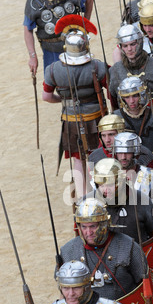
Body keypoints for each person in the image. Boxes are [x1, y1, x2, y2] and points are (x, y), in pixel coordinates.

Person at [42, 15, 107, 197]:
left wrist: (63, 102)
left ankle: (82, 198)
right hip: (96, 119)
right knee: (97, 157)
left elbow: (46, 96)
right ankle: (99, 195)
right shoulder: (97, 66)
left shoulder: (53, 70)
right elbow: (112, 90)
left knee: (79, 159)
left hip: (70, 120)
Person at [59, 198, 148, 300]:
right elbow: (63, 291)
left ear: (104, 225)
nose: (88, 232)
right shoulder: (68, 251)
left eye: (93, 226)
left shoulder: (128, 246)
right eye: (84, 227)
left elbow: (145, 284)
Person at [24, 0, 93, 74]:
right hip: (51, 50)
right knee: (53, 81)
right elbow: (27, 29)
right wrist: (32, 56)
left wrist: (84, 25)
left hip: (75, 45)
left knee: (83, 76)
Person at [87, 158, 153, 243]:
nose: (106, 190)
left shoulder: (142, 201)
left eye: (110, 185)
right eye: (101, 185)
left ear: (120, 182)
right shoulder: (88, 203)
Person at [109, 22, 153, 107]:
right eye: (125, 46)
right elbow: (114, 103)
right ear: (120, 47)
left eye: (133, 44)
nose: (129, 49)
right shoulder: (115, 71)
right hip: (128, 119)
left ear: (140, 42)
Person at [114, 76, 153, 154]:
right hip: (127, 164)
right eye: (127, 97)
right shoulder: (116, 118)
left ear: (141, 95)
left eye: (135, 96)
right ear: (122, 99)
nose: (131, 101)